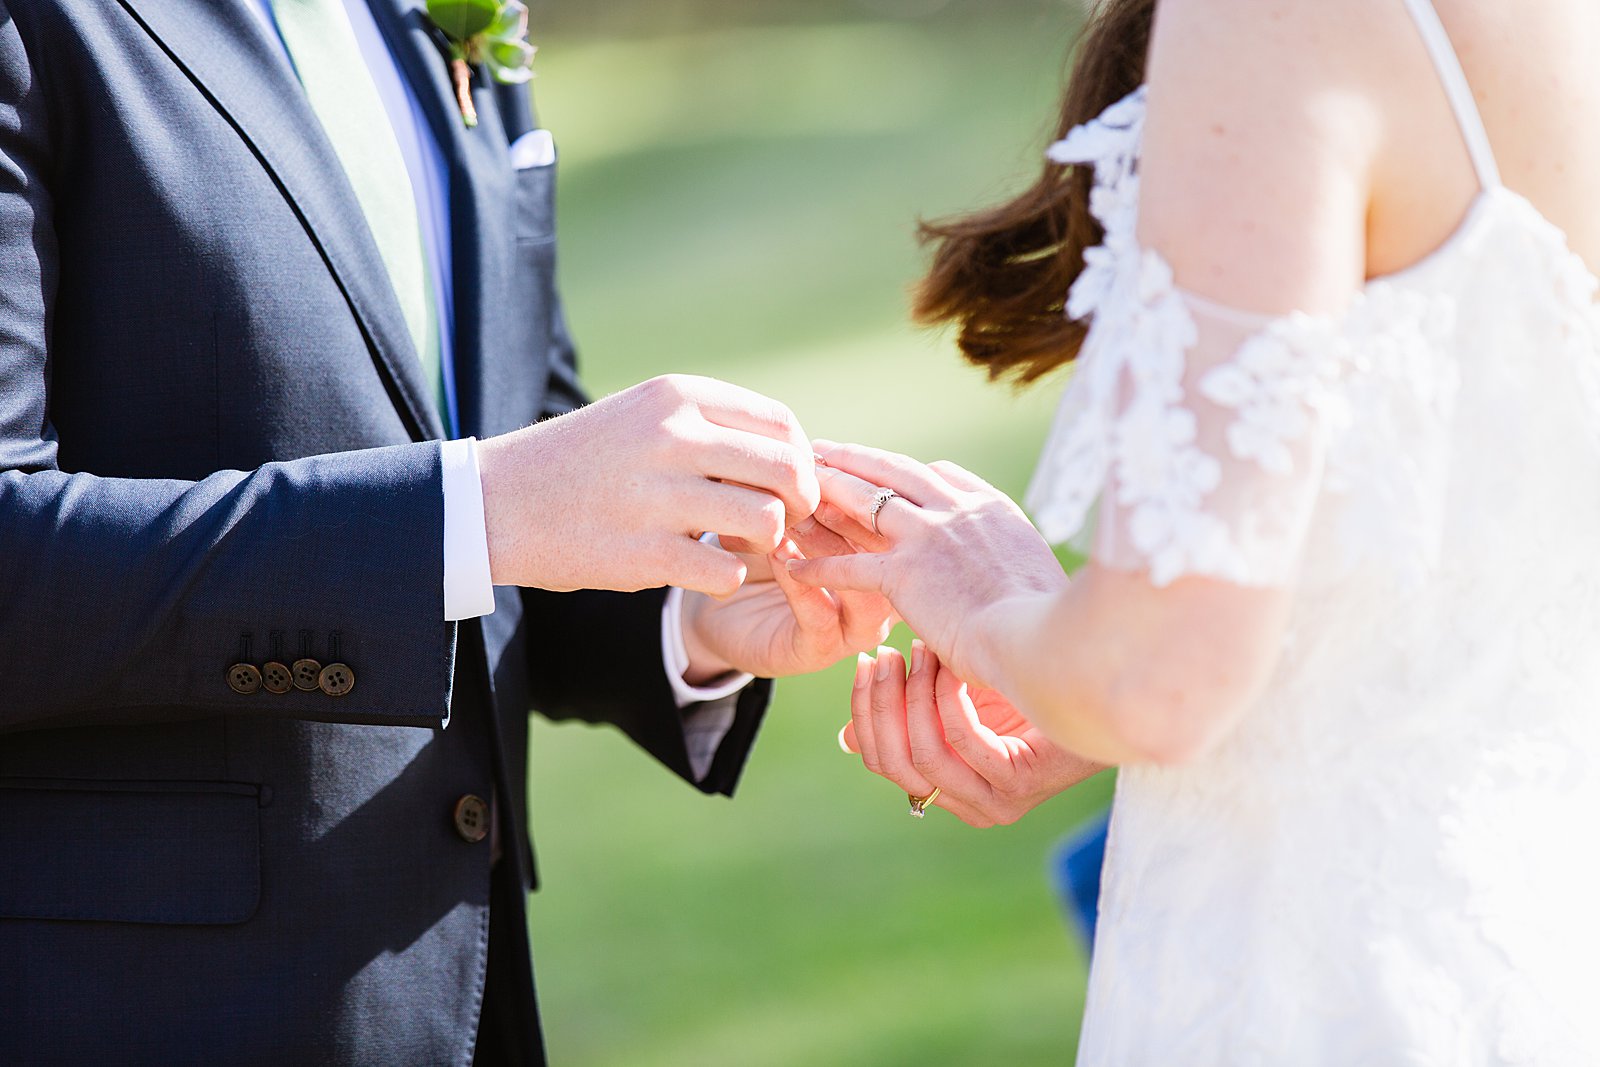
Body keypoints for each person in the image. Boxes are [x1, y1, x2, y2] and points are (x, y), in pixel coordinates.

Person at [0, 1, 890, 1063]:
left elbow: (501, 440)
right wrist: (473, 509)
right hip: (134, 1013)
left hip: (465, 993)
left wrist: (693, 604)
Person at [791, 0, 1600, 1060]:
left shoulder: (1267, 19)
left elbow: (1152, 682)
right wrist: (1107, 685)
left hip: (1331, 979)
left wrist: (983, 594)